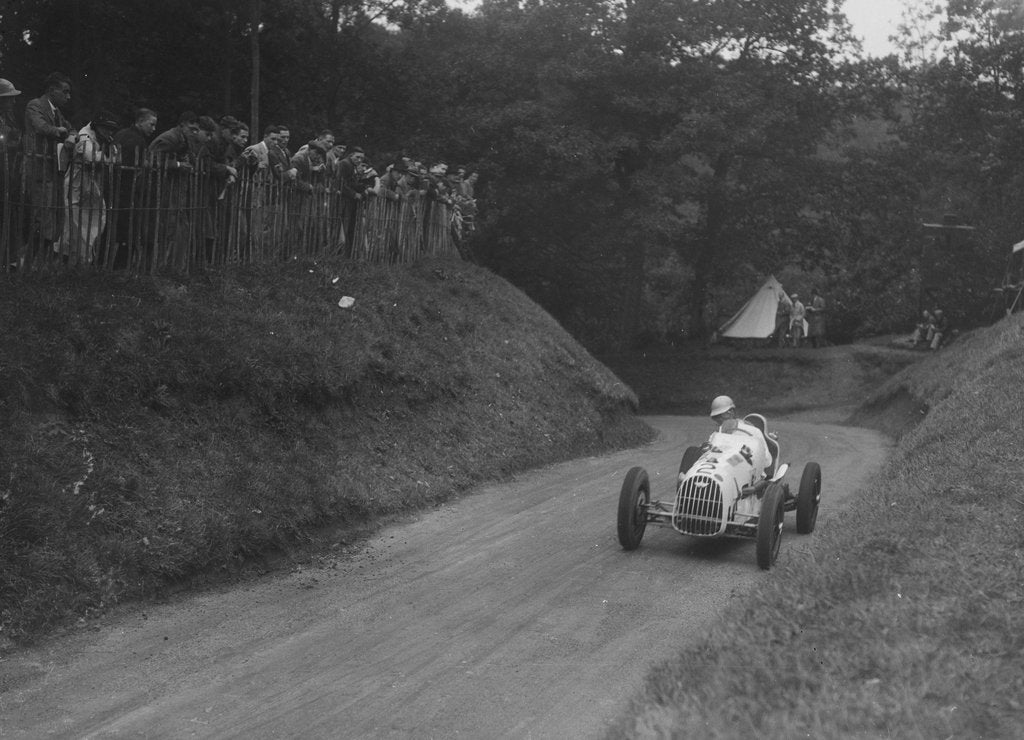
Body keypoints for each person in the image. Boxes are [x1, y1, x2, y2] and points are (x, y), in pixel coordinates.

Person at [23, 72, 77, 265]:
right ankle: (28, 262)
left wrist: (70, 135)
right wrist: (59, 132)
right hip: (37, 168)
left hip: (52, 170)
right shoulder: (35, 105)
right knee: (41, 216)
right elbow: (40, 127)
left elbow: (72, 129)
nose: (68, 97)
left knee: (53, 217)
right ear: (51, 90)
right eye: (65, 92)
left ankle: (39, 263)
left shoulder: (57, 112)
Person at [55, 112, 121, 265]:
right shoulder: (84, 135)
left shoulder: (106, 139)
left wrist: (106, 157)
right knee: (75, 220)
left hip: (92, 183)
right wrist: (105, 157)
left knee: (97, 217)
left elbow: (115, 157)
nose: (109, 132)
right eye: (106, 128)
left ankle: (82, 258)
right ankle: (73, 259)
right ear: (97, 126)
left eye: (111, 129)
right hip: (77, 182)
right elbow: (90, 157)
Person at [707, 395, 775, 478]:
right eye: (715, 417)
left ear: (731, 412)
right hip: (722, 476)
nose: (718, 420)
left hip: (750, 477)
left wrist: (735, 461)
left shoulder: (753, 431)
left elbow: (767, 461)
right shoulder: (715, 436)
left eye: (721, 416)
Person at [0, 78, 23, 267]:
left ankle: (9, 257)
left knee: (9, 212)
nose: (13, 102)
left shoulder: (10, 118)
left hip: (10, 171)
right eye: (9, 98)